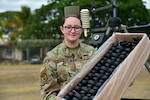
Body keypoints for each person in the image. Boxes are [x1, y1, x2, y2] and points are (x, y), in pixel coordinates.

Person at [39, 14, 96, 100]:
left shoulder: (92, 53)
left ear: (82, 29)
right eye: (68, 27)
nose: (73, 31)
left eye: (76, 27)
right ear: (62, 29)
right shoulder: (52, 57)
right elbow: (47, 92)